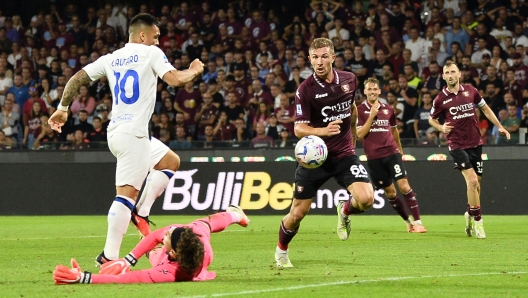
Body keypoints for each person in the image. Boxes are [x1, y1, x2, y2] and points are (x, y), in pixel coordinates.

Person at [47, 13, 204, 263]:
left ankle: (141, 213)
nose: (158, 41)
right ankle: (109, 257)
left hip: (118, 132)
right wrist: (194, 70)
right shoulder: (151, 53)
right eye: (155, 36)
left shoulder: (111, 58)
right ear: (142, 35)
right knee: (124, 197)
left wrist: (63, 108)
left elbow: (77, 78)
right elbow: (174, 79)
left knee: (170, 161)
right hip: (134, 135)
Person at [275, 38, 374, 268]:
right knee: (297, 214)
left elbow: (351, 109)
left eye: (323, 56)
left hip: (343, 154)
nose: (319, 62)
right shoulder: (305, 90)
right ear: (309, 59)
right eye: (315, 57)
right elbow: (299, 128)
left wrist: (353, 135)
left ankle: (344, 208)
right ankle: (281, 250)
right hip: (314, 159)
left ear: (333, 58)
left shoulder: (350, 80)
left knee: (367, 198)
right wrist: (323, 131)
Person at [53, 206, 250, 284]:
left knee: (154, 255)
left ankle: (144, 237)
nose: (166, 231)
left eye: (168, 235)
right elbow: (159, 235)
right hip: (196, 241)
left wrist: (83, 278)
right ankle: (239, 215)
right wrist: (129, 259)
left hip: (182, 261)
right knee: (209, 222)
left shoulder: (168, 272)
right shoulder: (195, 234)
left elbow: (128, 279)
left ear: (172, 253)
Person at [428, 61, 510, 239]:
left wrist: (500, 126)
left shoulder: (471, 91)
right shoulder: (440, 99)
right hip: (456, 144)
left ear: (459, 74)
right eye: (447, 72)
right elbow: (431, 119)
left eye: (453, 72)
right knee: (472, 181)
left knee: (477, 184)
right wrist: (441, 128)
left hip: (475, 143)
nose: (450, 75)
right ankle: (479, 224)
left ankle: (470, 214)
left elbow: (486, 109)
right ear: (443, 76)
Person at [357, 77, 426, 233]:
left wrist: (399, 149)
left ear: (380, 91)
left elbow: (394, 130)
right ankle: (408, 222)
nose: (373, 92)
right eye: (370, 89)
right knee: (391, 192)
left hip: (391, 153)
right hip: (374, 157)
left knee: (404, 186)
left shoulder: (388, 109)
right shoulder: (360, 110)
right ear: (365, 91)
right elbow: (360, 134)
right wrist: (371, 116)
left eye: (375, 89)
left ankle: (418, 222)